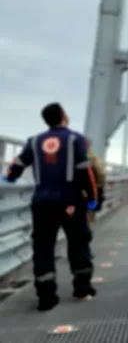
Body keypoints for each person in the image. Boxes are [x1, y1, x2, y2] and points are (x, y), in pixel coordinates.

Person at [1, 103, 99, 311]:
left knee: (43, 247)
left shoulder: (34, 141)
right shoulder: (75, 139)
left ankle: (46, 296)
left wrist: (9, 177)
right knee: (78, 242)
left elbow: (17, 166)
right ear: (64, 116)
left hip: (42, 202)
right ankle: (82, 287)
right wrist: (92, 197)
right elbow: (85, 171)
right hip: (71, 201)